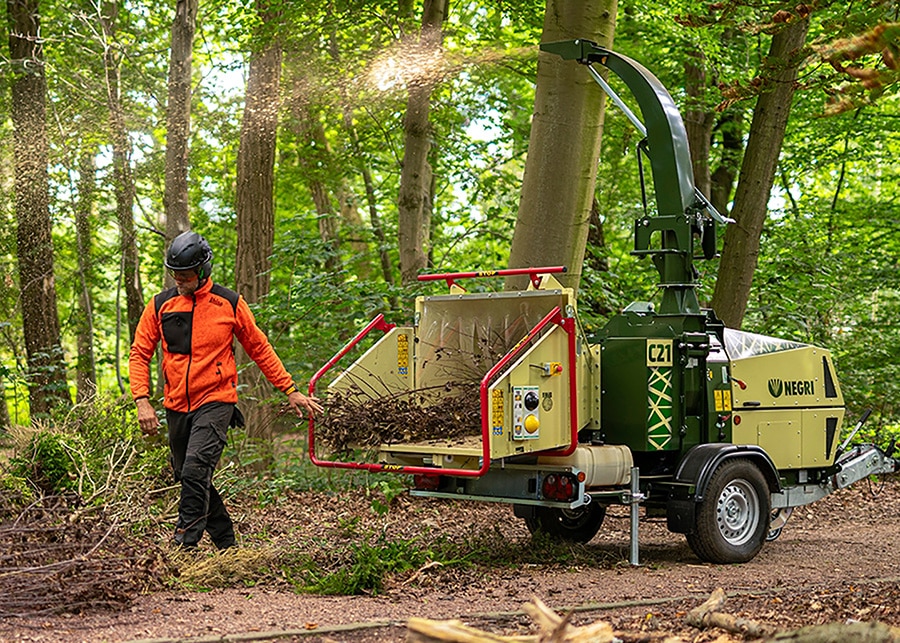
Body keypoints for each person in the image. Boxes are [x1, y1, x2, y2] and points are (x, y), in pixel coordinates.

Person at [129, 230, 322, 549]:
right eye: (174, 273)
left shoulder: (229, 303)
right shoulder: (160, 305)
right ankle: (227, 544)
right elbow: (140, 352)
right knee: (188, 475)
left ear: (203, 270)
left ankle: (183, 546)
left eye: (186, 274)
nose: (179, 279)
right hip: (176, 403)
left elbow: (260, 347)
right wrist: (142, 400)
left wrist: (289, 389)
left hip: (216, 401)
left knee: (194, 469)